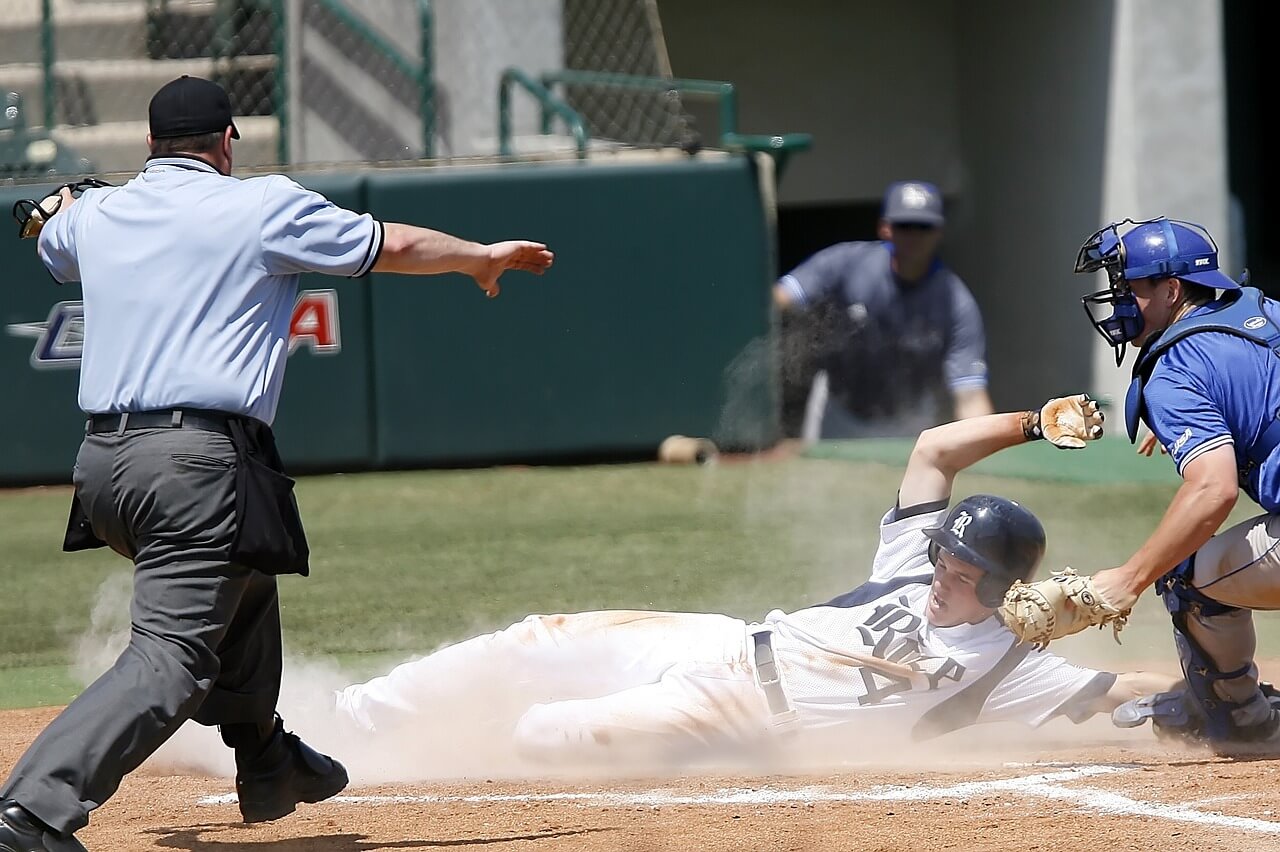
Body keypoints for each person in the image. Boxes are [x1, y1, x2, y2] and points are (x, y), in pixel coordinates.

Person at [0, 75, 554, 852]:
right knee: (172, 658)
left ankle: (266, 759)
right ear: (227, 141)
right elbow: (389, 244)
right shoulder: (260, 204)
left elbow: (50, 234)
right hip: (195, 462)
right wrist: (478, 258)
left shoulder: (98, 214)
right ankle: (31, 810)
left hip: (103, 468)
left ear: (150, 145)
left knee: (246, 574)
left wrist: (62, 206)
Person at [329, 395, 1175, 768]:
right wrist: (1032, 423)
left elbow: (1120, 685)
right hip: (726, 641)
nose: (940, 578)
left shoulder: (1011, 665)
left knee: (542, 736)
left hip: (742, 714)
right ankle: (349, 721)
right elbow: (931, 450)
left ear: (1001, 588)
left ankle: (439, 747)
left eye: (962, 574)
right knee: (531, 641)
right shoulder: (906, 573)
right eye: (942, 560)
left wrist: (1215, 687)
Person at [1072, 216, 1280, 754]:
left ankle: (1242, 720)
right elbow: (1253, 392)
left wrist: (1131, 577)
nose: (1118, 301)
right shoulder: (1267, 313)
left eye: (1131, 289)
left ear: (1171, 290)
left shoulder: (1175, 370)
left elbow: (1213, 491)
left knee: (1183, 573)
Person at [773, 180, 994, 441]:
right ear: (885, 228)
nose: (914, 235)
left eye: (924, 227)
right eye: (904, 226)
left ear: (939, 232)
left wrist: (988, 455)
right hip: (839, 414)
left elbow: (969, 394)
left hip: (909, 423)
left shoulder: (956, 302)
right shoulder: (847, 263)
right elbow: (780, 298)